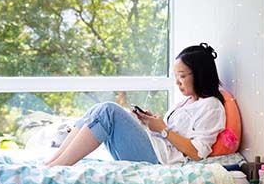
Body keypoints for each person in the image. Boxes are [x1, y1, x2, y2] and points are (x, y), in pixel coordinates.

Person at [45, 43, 226, 167]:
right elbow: (172, 133)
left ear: (200, 74)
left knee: (108, 111)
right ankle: (53, 162)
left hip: (159, 159)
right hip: (154, 146)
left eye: (182, 76)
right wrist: (151, 122)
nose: (177, 82)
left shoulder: (212, 106)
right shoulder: (186, 101)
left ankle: (58, 166)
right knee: (96, 110)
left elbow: (197, 153)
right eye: (176, 76)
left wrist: (163, 129)